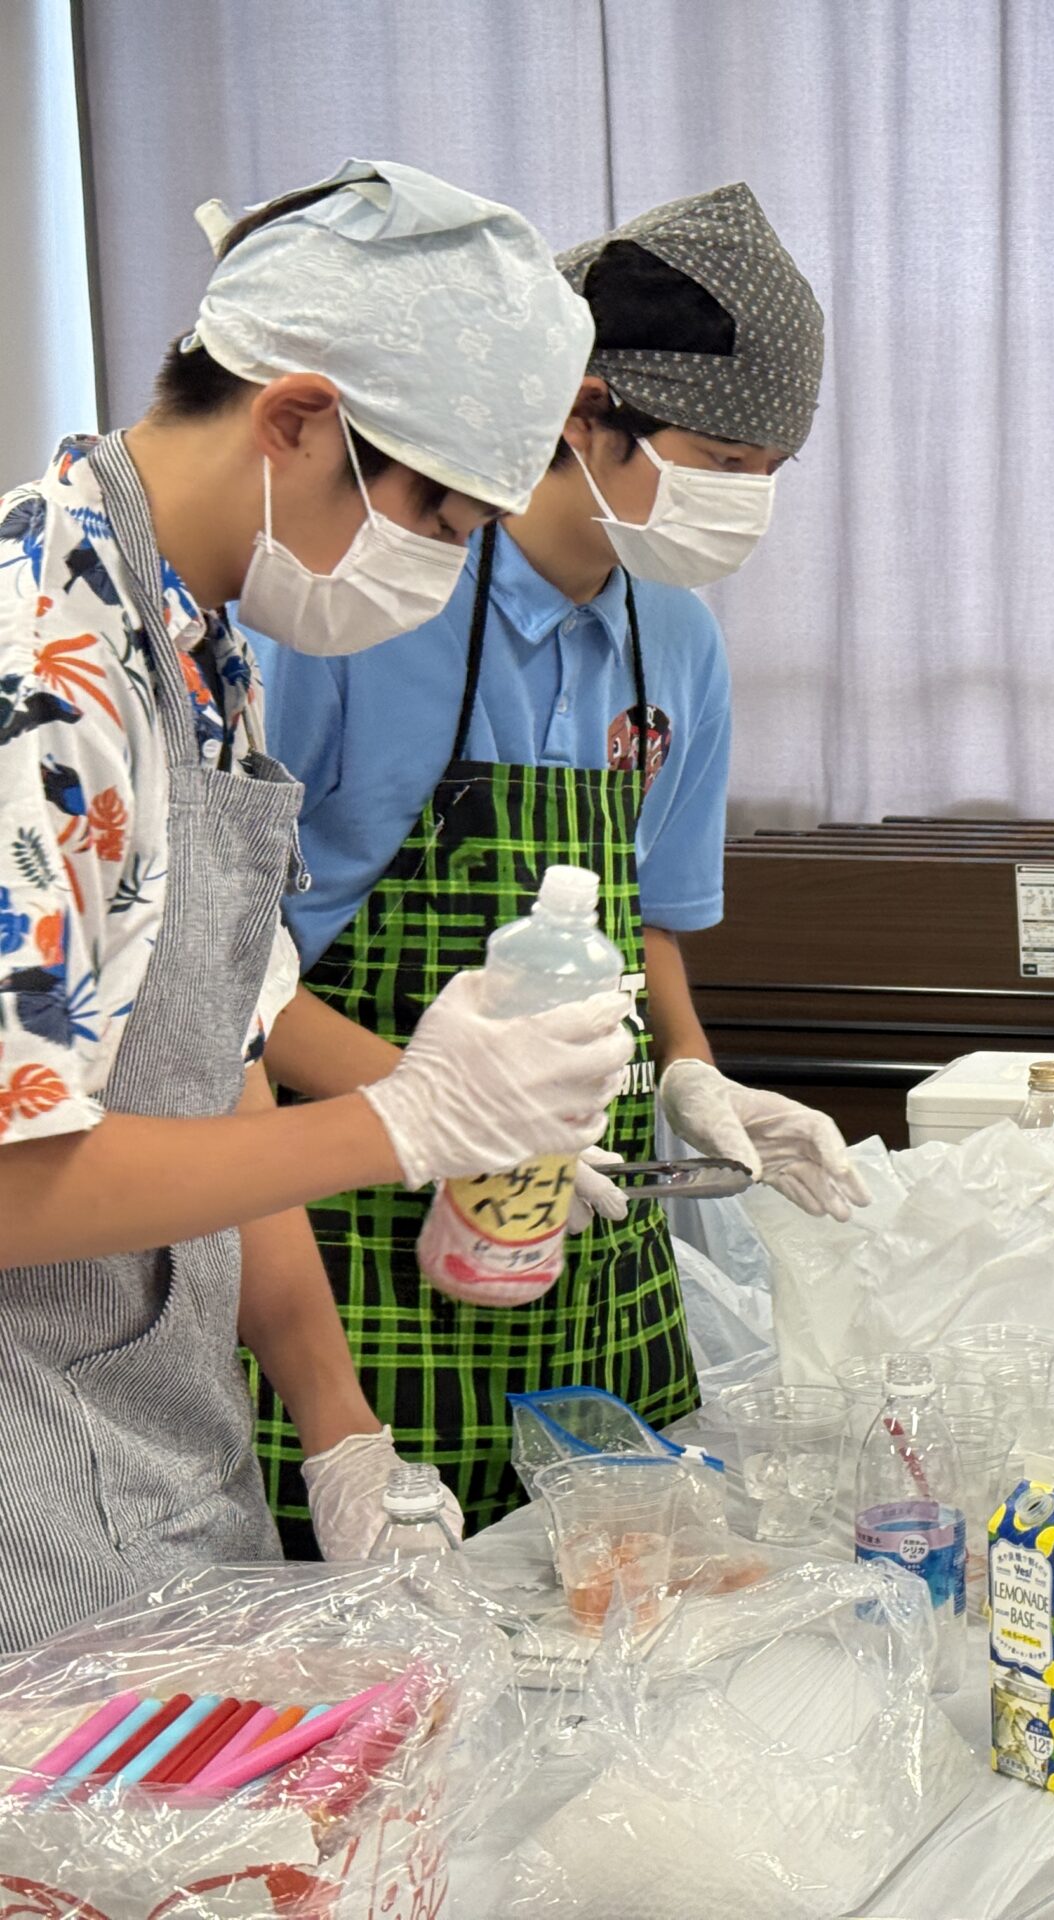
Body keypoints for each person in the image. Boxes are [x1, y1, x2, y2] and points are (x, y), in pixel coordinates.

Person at [0, 162, 630, 1647]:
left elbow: (216, 1065)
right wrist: (406, 1127)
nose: (447, 566)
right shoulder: (47, 667)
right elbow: (14, 1180)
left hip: (155, 1450)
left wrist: (342, 1434)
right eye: (440, 517)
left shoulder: (194, 638)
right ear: (292, 419)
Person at [245, 185, 866, 1546]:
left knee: (621, 1596)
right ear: (586, 412)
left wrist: (692, 1071)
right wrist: (430, 1111)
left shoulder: (677, 639)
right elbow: (231, 977)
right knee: (376, 1612)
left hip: (589, 1211)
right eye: (720, 457)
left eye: (772, 471)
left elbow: (645, 915)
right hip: (352, 1199)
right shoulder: (364, 597)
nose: (745, 502)